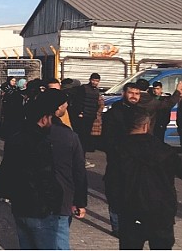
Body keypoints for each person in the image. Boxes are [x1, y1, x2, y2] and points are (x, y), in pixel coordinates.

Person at [0, 91, 67, 250]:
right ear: (44, 118)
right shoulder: (40, 141)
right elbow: (44, 176)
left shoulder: (16, 136)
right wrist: (54, 201)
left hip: (20, 206)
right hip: (39, 209)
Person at [104, 111, 182, 249]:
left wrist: (116, 206)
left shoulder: (118, 150)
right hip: (161, 211)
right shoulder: (165, 150)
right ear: (146, 126)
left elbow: (111, 182)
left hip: (131, 210)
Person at [44, 89, 88, 249]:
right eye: (65, 104)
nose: (67, 107)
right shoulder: (68, 136)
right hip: (61, 197)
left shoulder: (28, 132)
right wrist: (80, 201)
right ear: (58, 108)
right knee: (60, 237)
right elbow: (79, 171)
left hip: (32, 199)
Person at [101, 82, 142, 236]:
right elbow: (108, 141)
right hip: (117, 163)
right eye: (131, 93)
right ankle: (117, 227)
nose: (134, 96)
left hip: (136, 165)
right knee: (115, 196)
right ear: (124, 93)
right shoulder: (114, 113)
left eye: (137, 94)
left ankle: (133, 223)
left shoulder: (141, 112)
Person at [70, 73, 101, 168]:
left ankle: (81, 159)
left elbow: (96, 104)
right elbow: (78, 101)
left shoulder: (96, 91)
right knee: (81, 138)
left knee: (85, 139)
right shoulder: (83, 89)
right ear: (90, 79)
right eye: (93, 80)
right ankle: (80, 159)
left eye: (97, 81)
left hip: (90, 117)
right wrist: (80, 112)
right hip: (82, 117)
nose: (95, 82)